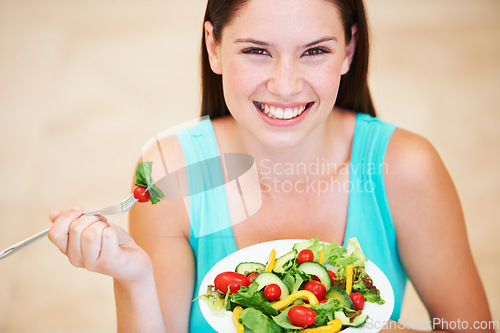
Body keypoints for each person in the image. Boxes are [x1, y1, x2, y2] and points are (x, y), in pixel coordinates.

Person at [48, 0, 494, 332]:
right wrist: (134, 278)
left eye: (315, 51)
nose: (285, 85)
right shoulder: (167, 170)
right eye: (257, 51)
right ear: (214, 47)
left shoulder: (406, 167)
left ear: (348, 51)